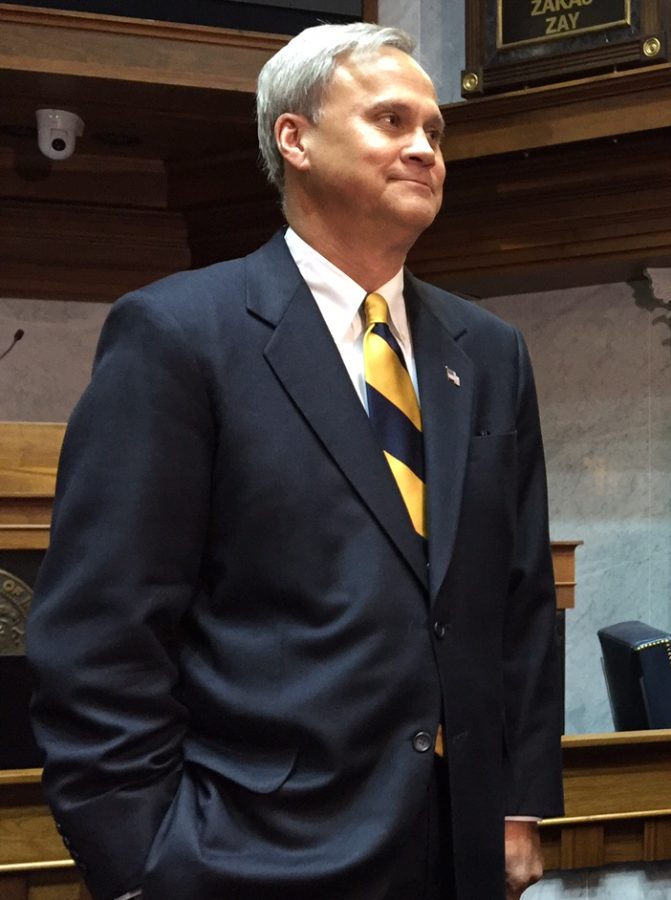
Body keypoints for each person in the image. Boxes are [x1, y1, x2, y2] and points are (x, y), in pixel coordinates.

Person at [27, 24, 561, 900]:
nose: (424, 147)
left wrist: (517, 803)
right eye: (391, 121)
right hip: (247, 849)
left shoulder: (490, 350)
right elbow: (100, 631)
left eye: (435, 130)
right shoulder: (178, 334)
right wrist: (141, 864)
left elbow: (519, 600)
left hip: (456, 851)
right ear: (295, 138)